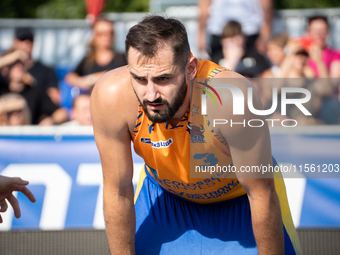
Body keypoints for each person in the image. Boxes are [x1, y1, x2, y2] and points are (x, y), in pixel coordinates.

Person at [91, 16, 301, 254]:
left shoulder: (231, 98)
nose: (151, 95)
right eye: (139, 79)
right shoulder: (111, 96)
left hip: (241, 200)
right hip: (165, 198)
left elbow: (260, 193)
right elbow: (118, 190)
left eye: (163, 79)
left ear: (191, 68)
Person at [0, 50, 68, 125]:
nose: (19, 66)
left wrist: (50, 121)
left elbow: (62, 113)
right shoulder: (2, 89)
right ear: (5, 69)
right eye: (14, 63)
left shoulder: (35, 91)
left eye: (22, 63)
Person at [197, 0, 273, 63]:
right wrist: (201, 36)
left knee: (252, 72)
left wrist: (265, 35)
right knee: (218, 71)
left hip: (249, 32)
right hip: (220, 32)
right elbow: (204, 7)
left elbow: (266, 6)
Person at [65, 18, 127, 91]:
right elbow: (70, 77)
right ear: (94, 36)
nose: (107, 36)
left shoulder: (122, 58)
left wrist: (94, 78)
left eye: (110, 32)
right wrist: (83, 82)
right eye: (101, 33)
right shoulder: (89, 59)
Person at [12, 27, 60, 105]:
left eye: (29, 41)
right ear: (15, 43)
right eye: (22, 40)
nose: (25, 45)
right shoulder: (5, 69)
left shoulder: (46, 71)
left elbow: (55, 100)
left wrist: (33, 84)